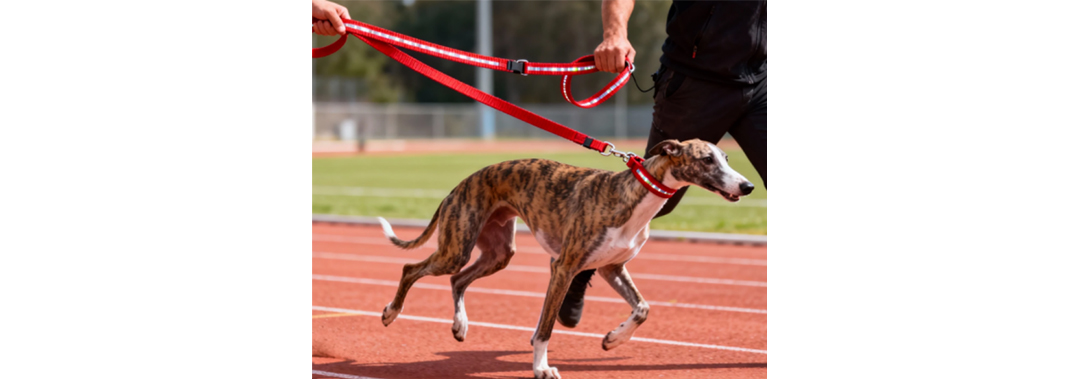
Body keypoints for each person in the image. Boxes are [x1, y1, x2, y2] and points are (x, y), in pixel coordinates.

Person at [557, 0, 767, 328]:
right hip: (696, 83)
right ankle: (580, 269)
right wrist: (615, 33)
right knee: (650, 197)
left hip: (762, 82)